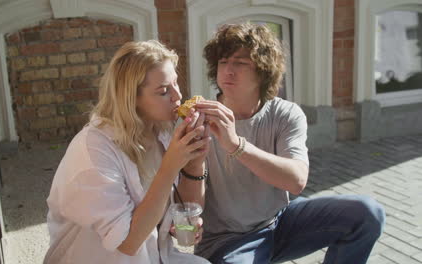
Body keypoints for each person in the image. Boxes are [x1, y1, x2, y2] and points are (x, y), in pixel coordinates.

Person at [193, 23, 386, 264]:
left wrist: (235, 145)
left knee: (367, 212)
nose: (228, 70)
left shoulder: (285, 113)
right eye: (223, 62)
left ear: (263, 72)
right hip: (228, 239)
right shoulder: (200, 118)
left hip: (280, 221)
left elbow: (296, 181)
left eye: (240, 63)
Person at [44, 40, 211, 264]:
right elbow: (127, 243)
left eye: (176, 84)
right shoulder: (93, 151)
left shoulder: (160, 131)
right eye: (163, 91)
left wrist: (194, 164)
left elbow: (184, 207)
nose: (177, 96)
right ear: (131, 98)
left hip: (156, 255)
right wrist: (170, 166)